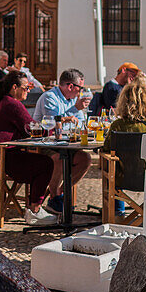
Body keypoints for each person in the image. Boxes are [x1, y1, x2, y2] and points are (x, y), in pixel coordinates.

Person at [0, 70, 55, 225]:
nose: (28, 90)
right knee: (46, 163)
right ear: (15, 87)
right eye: (26, 88)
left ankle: (33, 204)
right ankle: (34, 209)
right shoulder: (13, 104)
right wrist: (55, 130)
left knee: (39, 161)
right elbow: (31, 128)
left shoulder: (5, 101)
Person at [33, 68, 92, 213]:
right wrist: (75, 109)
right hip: (44, 143)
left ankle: (60, 192)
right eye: (80, 88)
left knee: (86, 159)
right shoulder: (50, 97)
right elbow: (53, 123)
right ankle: (54, 198)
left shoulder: (73, 100)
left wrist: (80, 111)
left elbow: (80, 122)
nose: (81, 92)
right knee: (60, 158)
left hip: (66, 144)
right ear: (70, 86)